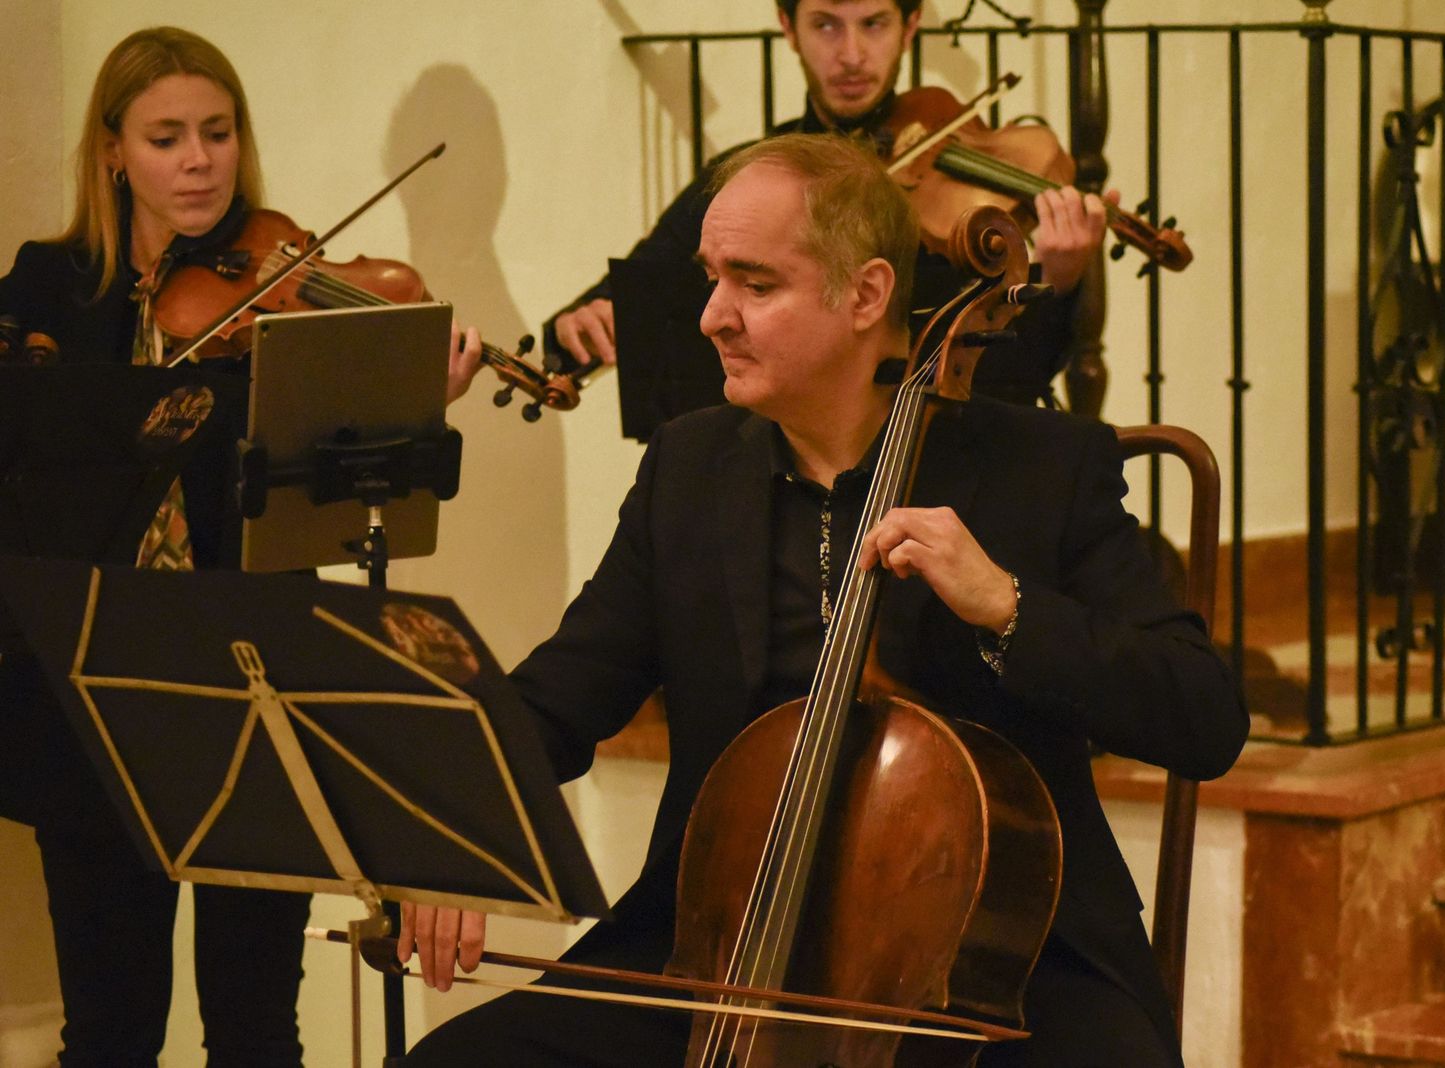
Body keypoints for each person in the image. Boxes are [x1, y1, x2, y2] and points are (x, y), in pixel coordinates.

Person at [399, 133, 1245, 1066]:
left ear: (868, 295)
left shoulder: (1043, 468)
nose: (714, 315)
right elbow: (564, 692)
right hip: (722, 948)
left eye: (756, 285)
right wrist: (459, 833)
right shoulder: (690, 466)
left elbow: (1202, 715)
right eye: (713, 278)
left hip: (1001, 966)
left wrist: (1008, 608)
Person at [0, 26, 481, 1065]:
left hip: (253, 673)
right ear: (113, 151)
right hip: (95, 686)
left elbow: (355, 486)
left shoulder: (285, 281)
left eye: (216, 132)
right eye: (166, 136)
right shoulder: (48, 285)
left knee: (257, 1025)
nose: (199, 159)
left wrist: (405, 385)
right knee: (109, 1028)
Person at [547, 0, 1116, 410]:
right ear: (787, 26)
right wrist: (585, 318)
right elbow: (645, 280)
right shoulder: (757, 176)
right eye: (825, 25)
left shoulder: (963, 188)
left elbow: (1014, 377)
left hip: (940, 458)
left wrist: (1059, 281)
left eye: (874, 24)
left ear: (910, 24)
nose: (851, 55)